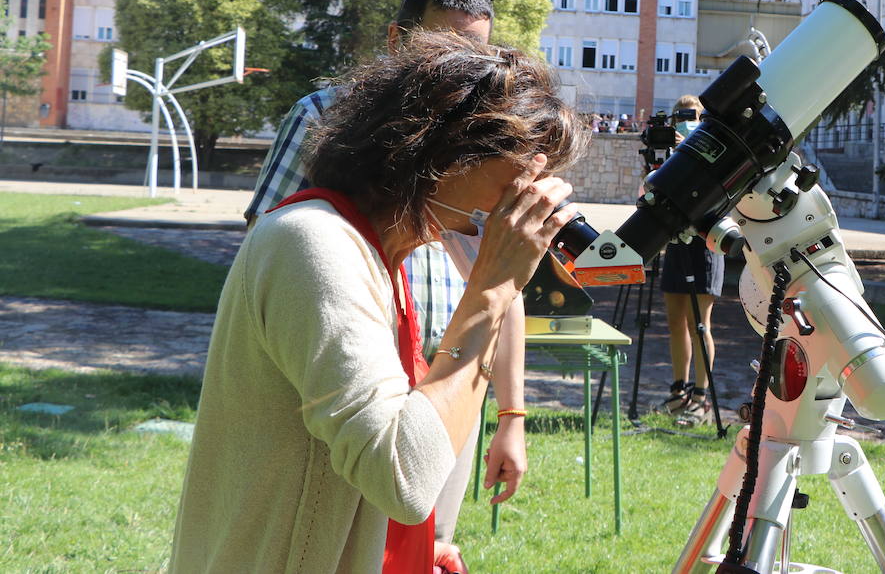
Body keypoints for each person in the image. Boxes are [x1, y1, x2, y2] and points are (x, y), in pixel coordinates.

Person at [169, 33, 586, 571]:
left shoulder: (374, 254)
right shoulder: (313, 243)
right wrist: (491, 289)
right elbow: (403, 477)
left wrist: (416, 547)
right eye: (523, 163)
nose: (533, 186)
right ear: (446, 152)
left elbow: (396, 459)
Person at [244, 0, 528, 563]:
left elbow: (502, 284)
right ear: (399, 41)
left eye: (473, 51)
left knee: (425, 548)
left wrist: (512, 414)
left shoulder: (479, 146)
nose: (461, 68)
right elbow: (267, 250)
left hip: (446, 375)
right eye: (442, 46)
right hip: (343, 376)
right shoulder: (328, 117)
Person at [656, 94, 726, 425]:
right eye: (679, 116)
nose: (684, 121)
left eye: (692, 116)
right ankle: (677, 392)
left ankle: (701, 396)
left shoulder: (715, 153)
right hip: (675, 243)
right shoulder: (667, 155)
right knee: (674, 323)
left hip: (705, 243)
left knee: (700, 325)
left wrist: (694, 152)